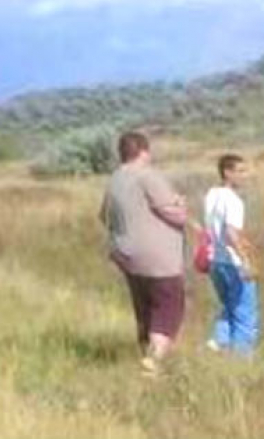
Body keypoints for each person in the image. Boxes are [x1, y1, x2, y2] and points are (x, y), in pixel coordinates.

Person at [99, 131, 199, 376]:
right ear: (144, 151)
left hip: (127, 255)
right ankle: (153, 363)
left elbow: (103, 216)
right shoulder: (147, 176)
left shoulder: (115, 179)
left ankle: (145, 354)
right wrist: (181, 206)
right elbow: (172, 212)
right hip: (158, 257)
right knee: (168, 309)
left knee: (144, 307)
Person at [204, 154, 259, 355]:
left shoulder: (212, 194)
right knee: (245, 315)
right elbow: (230, 233)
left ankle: (220, 339)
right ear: (227, 173)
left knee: (228, 305)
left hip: (215, 262)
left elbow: (213, 228)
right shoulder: (234, 201)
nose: (245, 176)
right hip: (232, 263)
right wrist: (245, 261)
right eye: (241, 171)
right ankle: (242, 361)